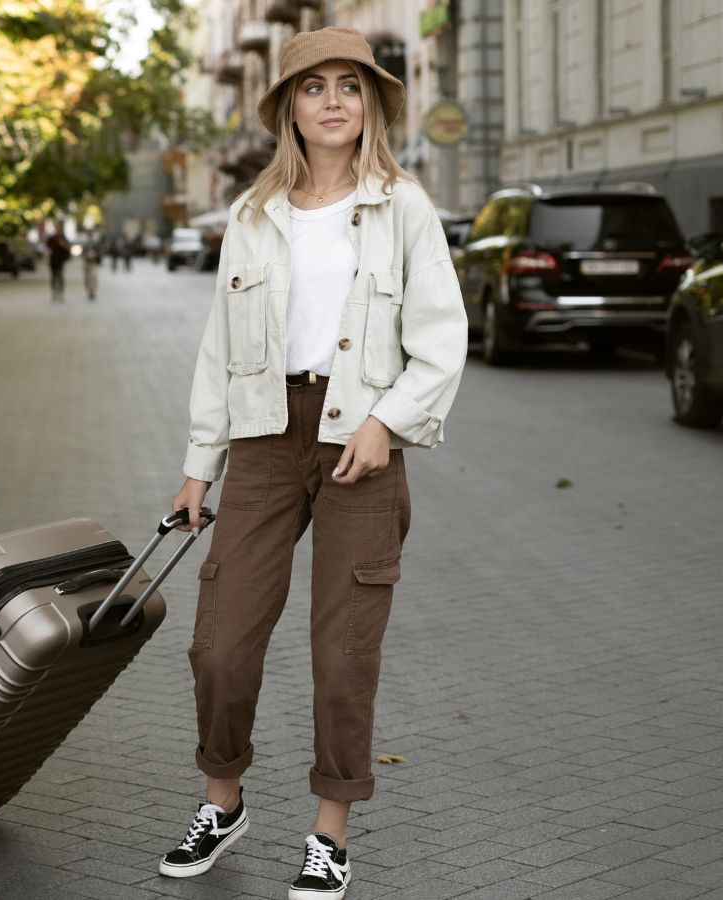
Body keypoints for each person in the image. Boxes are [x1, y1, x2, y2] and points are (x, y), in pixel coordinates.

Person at [157, 27, 467, 900]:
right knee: (219, 645)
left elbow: (442, 341)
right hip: (260, 435)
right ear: (288, 107)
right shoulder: (254, 218)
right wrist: (197, 465)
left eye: (350, 86)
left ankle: (329, 831)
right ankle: (223, 803)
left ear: (370, 105)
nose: (332, 100)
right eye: (312, 86)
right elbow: (220, 350)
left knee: (342, 654)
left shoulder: (404, 207)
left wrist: (387, 424)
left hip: (360, 443)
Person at [45, 229, 71, 301]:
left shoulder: (63, 238)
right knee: (53, 277)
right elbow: (47, 248)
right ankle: (54, 292)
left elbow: (68, 249)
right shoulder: (51, 239)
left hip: (60, 262)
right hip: (53, 262)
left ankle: (60, 292)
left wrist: (63, 244)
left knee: (60, 277)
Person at [82, 233, 102, 300]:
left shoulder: (96, 245)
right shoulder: (85, 245)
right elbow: (82, 254)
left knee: (93, 277)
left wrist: (94, 255)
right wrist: (87, 255)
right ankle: (89, 290)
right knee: (87, 278)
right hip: (87, 263)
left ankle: (92, 290)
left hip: (94, 263)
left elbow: (99, 253)